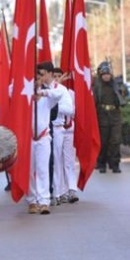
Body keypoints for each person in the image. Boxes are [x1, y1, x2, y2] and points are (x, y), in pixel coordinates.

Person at [26, 62, 65, 215]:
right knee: (29, 170)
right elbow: (10, 90)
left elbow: (59, 94)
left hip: (43, 137)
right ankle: (32, 200)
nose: (37, 79)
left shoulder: (48, 95)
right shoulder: (25, 93)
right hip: (28, 138)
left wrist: (43, 93)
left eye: (40, 76)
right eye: (35, 76)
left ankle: (44, 201)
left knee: (42, 169)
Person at [50, 68, 78, 204]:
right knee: (56, 161)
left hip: (67, 129)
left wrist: (55, 105)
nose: (56, 78)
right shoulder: (47, 91)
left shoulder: (67, 92)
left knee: (69, 161)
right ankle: (59, 191)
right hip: (53, 129)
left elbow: (71, 110)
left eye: (58, 76)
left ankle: (71, 189)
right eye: (53, 76)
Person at [93, 61, 125, 173]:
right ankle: (102, 163)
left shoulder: (116, 84)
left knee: (115, 140)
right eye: (104, 74)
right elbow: (94, 102)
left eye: (108, 74)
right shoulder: (97, 86)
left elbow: (123, 95)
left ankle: (115, 163)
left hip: (115, 115)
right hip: (102, 115)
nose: (106, 76)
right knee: (103, 141)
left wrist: (121, 88)